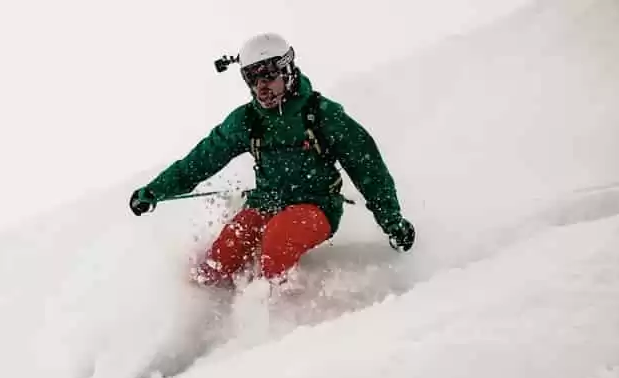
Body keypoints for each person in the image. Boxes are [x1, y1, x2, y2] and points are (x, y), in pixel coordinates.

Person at [129, 33, 415, 289]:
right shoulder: (248, 120)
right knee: (223, 254)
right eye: (251, 79)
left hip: (317, 205)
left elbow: (368, 169)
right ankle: (205, 311)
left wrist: (392, 222)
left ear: (287, 70)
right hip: (266, 202)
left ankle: (281, 315)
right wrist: (155, 191)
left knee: (278, 239)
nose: (260, 87)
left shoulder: (322, 114)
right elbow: (199, 162)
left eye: (267, 76)